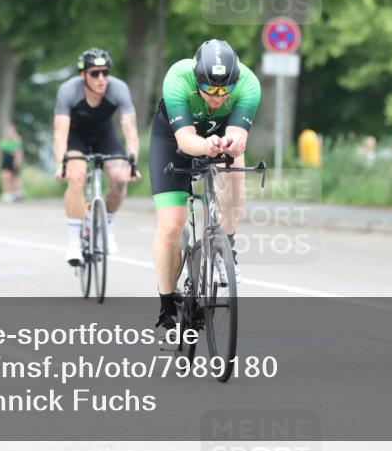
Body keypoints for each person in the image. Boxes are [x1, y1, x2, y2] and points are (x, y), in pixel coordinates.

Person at [150, 39, 261, 329]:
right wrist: (204, 145)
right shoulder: (177, 78)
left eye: (225, 91)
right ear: (198, 79)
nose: (217, 97)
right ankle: (166, 307)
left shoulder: (249, 85)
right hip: (173, 139)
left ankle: (228, 248)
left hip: (220, 135)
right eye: (210, 90)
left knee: (235, 181)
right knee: (172, 225)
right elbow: (185, 140)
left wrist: (233, 143)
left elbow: (238, 134)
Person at [54, 48, 140, 266]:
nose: (101, 78)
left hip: (104, 135)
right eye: (95, 73)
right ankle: (74, 243)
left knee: (121, 179)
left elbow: (130, 129)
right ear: (83, 75)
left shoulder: (118, 89)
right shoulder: (69, 91)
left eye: (105, 72)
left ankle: (107, 229)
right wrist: (60, 164)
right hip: (76, 137)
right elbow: (60, 132)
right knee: (76, 177)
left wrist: (133, 162)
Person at [0, 124, 24, 202]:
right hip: (6, 160)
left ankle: (17, 193)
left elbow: (19, 152)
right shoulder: (3, 141)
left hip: (14, 160)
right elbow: (0, 152)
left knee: (15, 179)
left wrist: (18, 161)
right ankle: (7, 194)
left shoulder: (17, 140)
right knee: (5, 177)